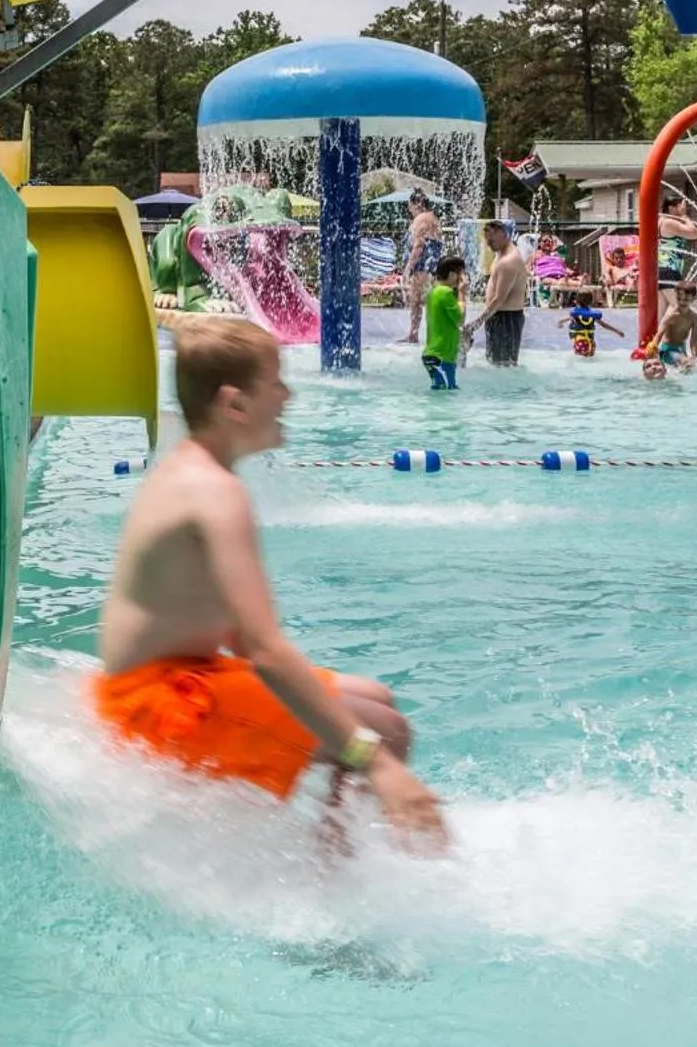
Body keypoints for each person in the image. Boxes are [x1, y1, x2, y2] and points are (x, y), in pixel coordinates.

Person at [95, 319, 448, 846]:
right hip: (156, 706)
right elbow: (263, 650)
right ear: (235, 404)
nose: (289, 394)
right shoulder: (216, 493)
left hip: (174, 677)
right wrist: (374, 763)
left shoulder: (193, 471)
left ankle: (336, 849)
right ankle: (339, 876)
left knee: (376, 698)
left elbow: (238, 638)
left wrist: (337, 726)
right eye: (276, 382)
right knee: (387, 735)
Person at [465, 220, 528, 367]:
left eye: (491, 240)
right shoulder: (501, 253)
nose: (488, 244)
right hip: (499, 317)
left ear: (503, 234)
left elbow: (499, 298)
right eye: (487, 240)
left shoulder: (509, 261)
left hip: (506, 319)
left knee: (503, 366)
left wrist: (477, 323)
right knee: (495, 364)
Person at [399, 191, 443, 344]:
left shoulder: (422, 218)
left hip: (423, 266)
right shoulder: (431, 218)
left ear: (416, 204)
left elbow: (419, 245)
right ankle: (415, 333)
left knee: (418, 300)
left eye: (409, 206)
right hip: (427, 266)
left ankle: (417, 334)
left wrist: (408, 268)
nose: (409, 209)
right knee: (419, 300)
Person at [422, 256, 467, 388]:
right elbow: (460, 320)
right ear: (452, 274)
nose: (462, 278)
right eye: (461, 273)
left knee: (442, 391)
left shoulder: (433, 292)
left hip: (433, 354)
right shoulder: (446, 293)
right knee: (448, 392)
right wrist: (462, 293)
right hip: (442, 357)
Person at [651, 281, 697, 371]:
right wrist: (652, 352)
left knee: (689, 368)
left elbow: (694, 339)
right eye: (679, 298)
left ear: (693, 299)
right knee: (685, 363)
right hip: (667, 350)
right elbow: (659, 334)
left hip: (681, 350)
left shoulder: (695, 318)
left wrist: (695, 356)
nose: (682, 302)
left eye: (686, 300)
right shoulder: (671, 315)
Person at [658, 194, 697, 287]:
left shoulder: (661, 220)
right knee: (676, 301)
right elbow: (694, 234)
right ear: (671, 208)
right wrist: (685, 216)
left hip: (664, 268)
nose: (682, 208)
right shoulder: (669, 223)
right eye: (679, 206)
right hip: (669, 269)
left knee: (665, 301)